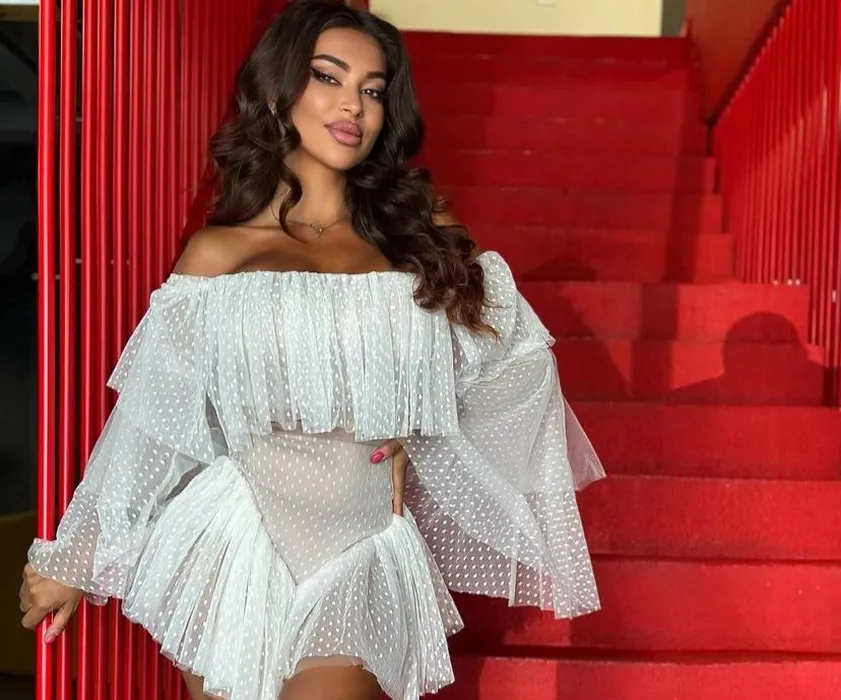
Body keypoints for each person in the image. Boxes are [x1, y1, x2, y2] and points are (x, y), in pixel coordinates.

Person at [19, 2, 605, 699]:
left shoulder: (415, 236)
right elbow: (151, 419)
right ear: (278, 90)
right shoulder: (219, 254)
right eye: (328, 77)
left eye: (372, 89)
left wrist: (421, 434)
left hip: (359, 544)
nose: (352, 104)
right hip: (232, 539)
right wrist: (74, 556)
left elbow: (517, 358)